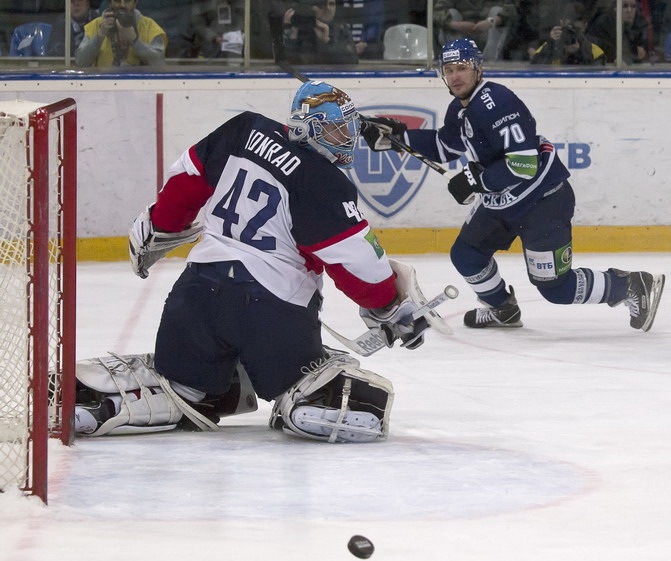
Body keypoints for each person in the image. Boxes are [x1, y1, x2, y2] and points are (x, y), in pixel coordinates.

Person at [73, 81, 430, 444]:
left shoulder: (243, 128)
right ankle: (305, 397)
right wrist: (390, 305)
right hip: (271, 317)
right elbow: (360, 268)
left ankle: (112, 398)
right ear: (305, 128)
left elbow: (186, 178)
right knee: (341, 393)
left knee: (182, 384)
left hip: (193, 300)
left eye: (348, 127)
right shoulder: (325, 183)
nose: (345, 138)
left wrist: (162, 224)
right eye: (335, 128)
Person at [361, 38, 664, 332]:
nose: (454, 76)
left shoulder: (497, 103)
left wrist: (476, 180)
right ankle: (502, 309)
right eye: (448, 69)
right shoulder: (461, 108)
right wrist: (399, 138)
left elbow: (523, 163)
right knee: (466, 254)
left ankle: (630, 285)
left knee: (555, 289)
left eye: (462, 68)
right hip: (503, 202)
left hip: (542, 202)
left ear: (478, 68)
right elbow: (445, 146)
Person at [76, 0, 167, 67]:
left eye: (127, 1)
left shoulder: (150, 27)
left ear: (135, 3)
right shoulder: (94, 26)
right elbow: (81, 63)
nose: (122, 5)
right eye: (117, 1)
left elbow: (159, 64)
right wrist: (100, 35)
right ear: (109, 2)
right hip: (103, 86)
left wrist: (135, 40)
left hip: (140, 88)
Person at [271, 0, 358, 65]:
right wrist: (289, 32)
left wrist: (326, 42)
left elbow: (352, 62)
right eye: (322, 4)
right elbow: (282, 63)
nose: (327, 8)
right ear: (312, 7)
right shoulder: (298, 28)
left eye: (331, 4)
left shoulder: (341, 30)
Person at [433, 0, 517, 61]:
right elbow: (437, 12)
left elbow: (511, 9)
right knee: (451, 13)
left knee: (497, 11)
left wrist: (490, 22)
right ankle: (459, 61)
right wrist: (457, 25)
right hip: (461, 33)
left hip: (488, 33)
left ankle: (491, 62)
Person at [531, 1, 605, 65]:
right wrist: (552, 45)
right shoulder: (547, 47)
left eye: (575, 29)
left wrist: (579, 53)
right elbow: (537, 72)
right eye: (568, 29)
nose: (571, 34)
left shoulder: (595, 52)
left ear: (584, 26)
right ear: (561, 23)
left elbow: (594, 78)